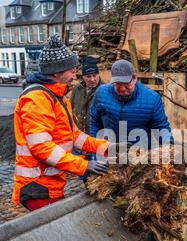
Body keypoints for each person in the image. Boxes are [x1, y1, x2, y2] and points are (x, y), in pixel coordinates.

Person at [12, 35, 111, 211]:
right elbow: (42, 147)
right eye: (72, 71)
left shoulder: (59, 97)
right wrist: (84, 165)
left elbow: (75, 136)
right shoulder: (36, 99)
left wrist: (105, 146)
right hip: (38, 187)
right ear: (57, 72)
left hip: (51, 184)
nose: (75, 75)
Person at [90, 59, 173, 148]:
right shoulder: (102, 93)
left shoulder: (151, 99)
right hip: (109, 152)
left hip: (140, 154)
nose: (122, 88)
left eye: (126, 84)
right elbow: (94, 122)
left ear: (135, 78)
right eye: (118, 84)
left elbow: (161, 128)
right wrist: (95, 148)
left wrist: (169, 145)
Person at [70, 56, 102, 134]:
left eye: (95, 75)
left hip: (96, 137)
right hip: (78, 136)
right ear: (83, 77)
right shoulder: (77, 89)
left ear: (98, 74)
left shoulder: (104, 90)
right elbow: (70, 110)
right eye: (88, 76)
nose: (92, 79)